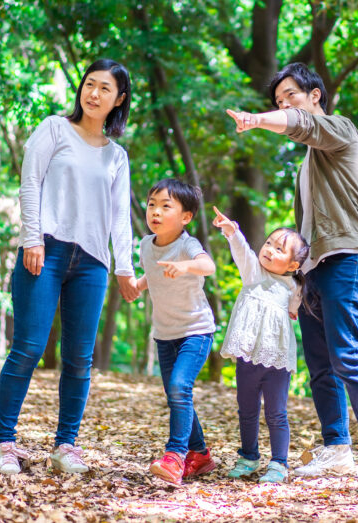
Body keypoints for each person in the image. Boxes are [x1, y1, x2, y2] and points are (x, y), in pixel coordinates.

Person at [225, 62, 358, 484]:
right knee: (321, 365)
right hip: (313, 270)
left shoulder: (339, 131)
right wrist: (296, 283)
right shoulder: (308, 162)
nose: (284, 104)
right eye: (277, 101)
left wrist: (258, 119)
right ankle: (337, 448)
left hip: (345, 258)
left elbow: (303, 126)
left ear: (314, 95)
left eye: (290, 96)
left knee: (346, 354)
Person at [0, 59, 138, 476]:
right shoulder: (54, 129)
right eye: (89, 84)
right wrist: (32, 238)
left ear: (119, 100)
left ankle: (66, 445)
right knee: (29, 348)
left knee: (79, 359)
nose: (93, 94)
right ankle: (4, 442)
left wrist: (124, 268)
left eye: (104, 89)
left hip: (91, 263)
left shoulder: (117, 156)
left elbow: (118, 218)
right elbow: (30, 181)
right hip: (47, 250)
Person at [128, 178, 217, 486]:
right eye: (152, 204)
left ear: (185, 217)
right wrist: (137, 286)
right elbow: (151, 274)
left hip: (196, 331)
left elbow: (208, 266)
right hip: (164, 334)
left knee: (180, 387)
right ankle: (201, 455)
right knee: (175, 394)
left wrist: (185, 267)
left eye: (166, 206)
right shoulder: (144, 245)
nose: (156, 211)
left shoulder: (186, 245)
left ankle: (175, 456)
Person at [212, 206, 309, 484]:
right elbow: (242, 251)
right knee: (247, 408)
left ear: (293, 265)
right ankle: (249, 456)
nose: (269, 250)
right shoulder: (254, 273)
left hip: (277, 360)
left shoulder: (294, 287)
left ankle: (279, 463)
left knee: (276, 412)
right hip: (248, 357)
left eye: (279, 249)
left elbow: (297, 311)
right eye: (268, 243)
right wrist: (232, 231)